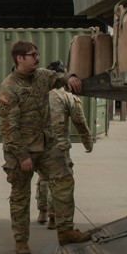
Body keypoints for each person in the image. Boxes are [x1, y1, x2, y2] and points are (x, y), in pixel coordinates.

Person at [0, 40, 91, 254]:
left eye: (38, 54)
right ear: (20, 58)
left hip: (47, 146)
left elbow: (59, 77)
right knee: (20, 196)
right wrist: (22, 156)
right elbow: (8, 129)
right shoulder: (9, 88)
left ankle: (65, 230)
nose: (38, 58)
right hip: (21, 151)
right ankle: (21, 241)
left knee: (64, 180)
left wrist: (71, 77)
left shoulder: (42, 75)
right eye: (33, 55)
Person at [36, 60, 95, 230]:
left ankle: (42, 212)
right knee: (59, 181)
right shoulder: (67, 96)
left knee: (43, 178)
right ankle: (54, 217)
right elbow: (80, 122)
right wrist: (87, 142)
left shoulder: (39, 94)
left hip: (40, 145)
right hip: (59, 147)